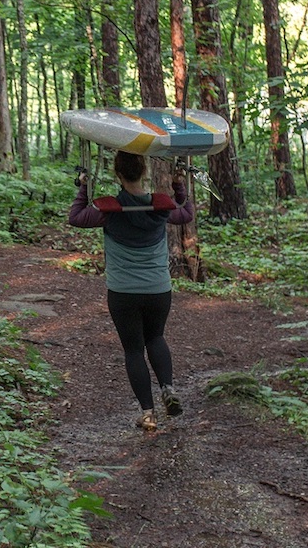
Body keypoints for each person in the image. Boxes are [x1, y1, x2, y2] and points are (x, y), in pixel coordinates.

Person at [68, 151, 195, 432]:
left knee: (133, 349)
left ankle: (148, 414)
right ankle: (168, 388)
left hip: (123, 291)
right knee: (156, 337)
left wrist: (84, 187)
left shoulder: (108, 209)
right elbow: (186, 213)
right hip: (158, 289)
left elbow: (75, 217)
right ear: (144, 171)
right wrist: (178, 185)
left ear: (118, 174)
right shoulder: (160, 206)